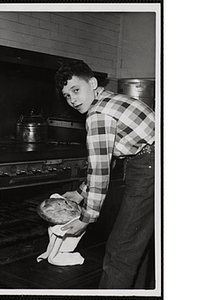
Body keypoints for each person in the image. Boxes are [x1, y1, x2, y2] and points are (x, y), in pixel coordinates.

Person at [54, 61, 155, 289]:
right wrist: (80, 194)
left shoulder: (98, 114)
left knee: (121, 249)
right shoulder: (109, 100)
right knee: (139, 245)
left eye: (76, 90)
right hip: (153, 161)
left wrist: (85, 218)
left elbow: (100, 171)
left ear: (92, 83)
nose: (73, 100)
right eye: (67, 96)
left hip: (150, 165)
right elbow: (107, 161)